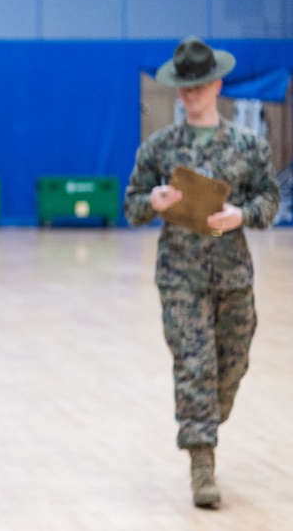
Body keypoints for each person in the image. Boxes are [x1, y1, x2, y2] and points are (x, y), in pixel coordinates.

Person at [124, 36, 280, 508]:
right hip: (179, 276)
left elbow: (269, 201)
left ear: (216, 85)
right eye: (183, 88)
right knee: (194, 367)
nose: (190, 95)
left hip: (233, 276)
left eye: (198, 87)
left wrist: (242, 215)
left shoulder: (248, 148)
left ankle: (209, 419)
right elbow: (131, 206)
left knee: (231, 367)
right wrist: (152, 201)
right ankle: (202, 464)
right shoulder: (159, 148)